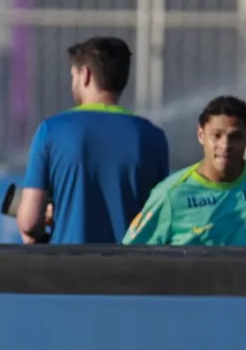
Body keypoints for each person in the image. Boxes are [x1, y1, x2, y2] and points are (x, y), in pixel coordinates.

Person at [16, 36, 170, 244]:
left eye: (73, 76)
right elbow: (160, 220)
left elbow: (30, 222)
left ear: (85, 75)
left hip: (70, 269)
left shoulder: (51, 131)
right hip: (131, 271)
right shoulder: (153, 137)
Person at [123, 95, 246, 246]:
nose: (225, 145)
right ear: (201, 135)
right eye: (216, 135)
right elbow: (132, 254)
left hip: (243, 287)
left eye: (235, 136)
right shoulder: (172, 194)